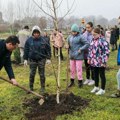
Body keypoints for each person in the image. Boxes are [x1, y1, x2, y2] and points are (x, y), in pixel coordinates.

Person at [24, 26, 51, 93]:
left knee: (42, 74)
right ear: (32, 33)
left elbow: (48, 49)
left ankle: (42, 88)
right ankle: (31, 87)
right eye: (34, 33)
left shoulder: (44, 40)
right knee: (32, 74)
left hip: (41, 60)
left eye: (37, 33)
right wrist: (25, 59)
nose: (36, 34)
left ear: (39, 33)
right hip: (32, 60)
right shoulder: (29, 40)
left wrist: (48, 58)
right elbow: (26, 50)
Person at [88, 28, 110, 95]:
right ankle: (96, 86)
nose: (93, 36)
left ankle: (102, 89)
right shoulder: (92, 40)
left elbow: (106, 52)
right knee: (95, 74)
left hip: (101, 61)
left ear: (99, 34)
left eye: (95, 35)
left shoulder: (103, 41)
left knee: (102, 74)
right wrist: (89, 58)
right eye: (92, 35)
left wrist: (104, 62)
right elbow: (90, 49)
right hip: (94, 61)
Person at [67, 24, 89, 88]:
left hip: (79, 56)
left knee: (79, 69)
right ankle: (72, 81)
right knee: (72, 69)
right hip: (72, 55)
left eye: (75, 32)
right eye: (72, 32)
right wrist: (67, 46)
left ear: (77, 31)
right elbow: (67, 44)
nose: (73, 33)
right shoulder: (69, 37)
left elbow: (87, 44)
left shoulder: (81, 37)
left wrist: (81, 49)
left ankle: (80, 82)